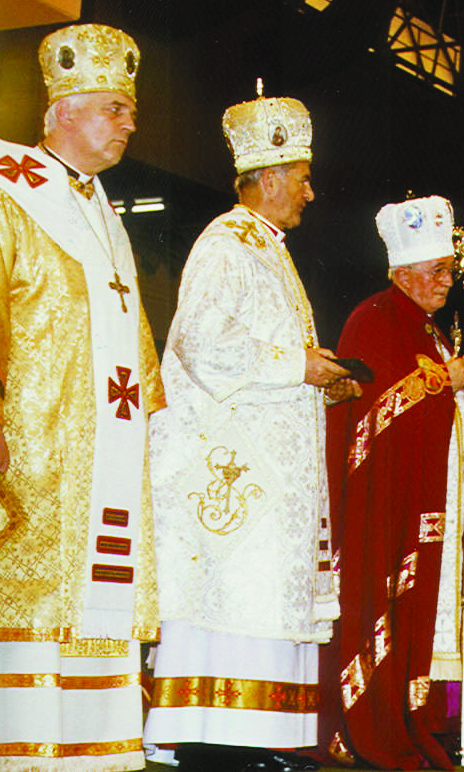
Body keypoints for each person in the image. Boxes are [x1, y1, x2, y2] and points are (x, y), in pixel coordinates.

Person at [143, 93, 355, 772]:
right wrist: (298, 365)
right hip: (238, 470)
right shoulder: (226, 244)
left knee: (265, 596)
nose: (310, 193)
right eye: (302, 179)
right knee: (235, 595)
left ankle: (265, 735)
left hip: (275, 470)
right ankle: (217, 739)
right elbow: (200, 342)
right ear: (269, 179)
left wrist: (321, 378)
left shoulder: (269, 251)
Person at [0, 24, 165, 772]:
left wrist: (154, 423)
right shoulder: (12, 191)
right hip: (33, 446)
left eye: (130, 110)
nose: (130, 124)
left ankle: (85, 751)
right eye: (115, 108)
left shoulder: (100, 207)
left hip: (106, 450)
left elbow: (134, 335)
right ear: (63, 110)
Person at [322, 195, 464, 770]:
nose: (448, 281)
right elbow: (373, 410)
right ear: (403, 271)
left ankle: (425, 716)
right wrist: (447, 380)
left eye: (448, 271)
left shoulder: (430, 329)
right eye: (437, 271)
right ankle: (375, 723)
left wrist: (461, 387)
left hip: (431, 492)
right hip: (388, 499)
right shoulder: (374, 318)